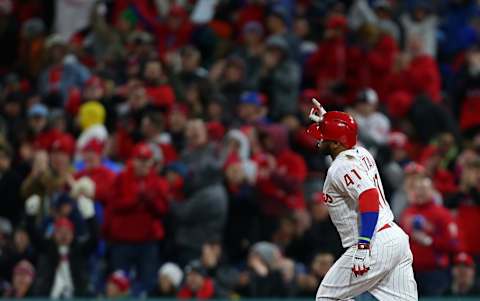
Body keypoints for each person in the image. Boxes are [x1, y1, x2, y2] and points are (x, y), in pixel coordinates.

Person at [306, 100, 417, 300]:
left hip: (374, 241)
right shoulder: (361, 152)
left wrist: (364, 246)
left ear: (337, 143)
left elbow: (369, 195)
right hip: (395, 238)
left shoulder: (340, 167)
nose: (319, 140)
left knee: (327, 297)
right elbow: (347, 134)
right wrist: (329, 121)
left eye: (324, 136)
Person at [104, 143, 169, 294]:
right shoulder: (120, 179)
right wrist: (136, 200)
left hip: (147, 243)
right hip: (122, 242)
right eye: (139, 160)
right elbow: (113, 205)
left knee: (148, 285)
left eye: (146, 160)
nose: (143, 164)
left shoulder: (157, 182)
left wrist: (150, 201)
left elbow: (163, 210)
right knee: (118, 285)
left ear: (152, 162)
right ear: (132, 161)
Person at [400, 174, 460, 296]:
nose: (420, 192)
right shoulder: (407, 213)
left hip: (435, 273)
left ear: (432, 191)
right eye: (417, 188)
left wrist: (430, 241)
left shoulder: (443, 215)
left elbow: (454, 244)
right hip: (410, 272)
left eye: (424, 189)